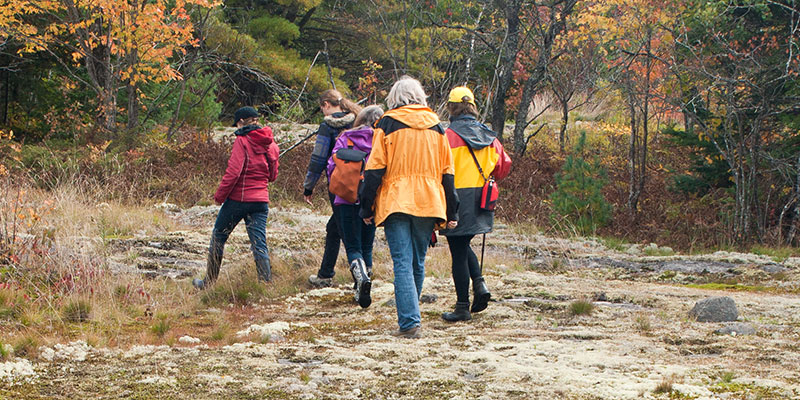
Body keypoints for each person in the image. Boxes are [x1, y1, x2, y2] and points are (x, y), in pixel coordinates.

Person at [360, 76, 459, 338]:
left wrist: (365, 206)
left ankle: (409, 323)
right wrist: (453, 210)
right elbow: (448, 172)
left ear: (395, 98)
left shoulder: (387, 124)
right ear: (420, 96)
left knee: (402, 262)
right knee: (417, 261)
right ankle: (411, 318)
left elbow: (374, 169)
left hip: (396, 200)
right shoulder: (437, 127)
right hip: (429, 200)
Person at [439, 87, 512, 321]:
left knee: (458, 250)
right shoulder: (490, 136)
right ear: (473, 106)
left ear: (451, 107)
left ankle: (462, 307)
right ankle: (479, 286)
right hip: (481, 198)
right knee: (463, 244)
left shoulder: (446, 135)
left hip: (455, 199)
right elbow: (503, 167)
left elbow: (436, 169)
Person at [193, 106, 280, 289]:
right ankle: (266, 284)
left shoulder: (242, 141)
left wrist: (219, 196)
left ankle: (208, 283)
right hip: (260, 201)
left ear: (241, 122)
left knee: (218, 237)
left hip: (238, 201)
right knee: (259, 243)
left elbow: (234, 172)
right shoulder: (270, 144)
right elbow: (272, 176)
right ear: (256, 120)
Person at [326, 105, 384, 308]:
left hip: (345, 199)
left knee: (352, 246)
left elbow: (331, 166)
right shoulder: (382, 139)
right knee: (367, 244)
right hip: (372, 200)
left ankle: (360, 281)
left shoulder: (345, 137)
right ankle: (364, 281)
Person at [305, 90, 363, 288]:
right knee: (335, 227)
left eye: (322, 108)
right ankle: (325, 273)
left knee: (346, 230)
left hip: (339, 183)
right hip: (362, 180)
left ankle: (360, 275)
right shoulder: (358, 120)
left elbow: (319, 158)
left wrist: (308, 186)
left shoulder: (327, 125)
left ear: (327, 105)